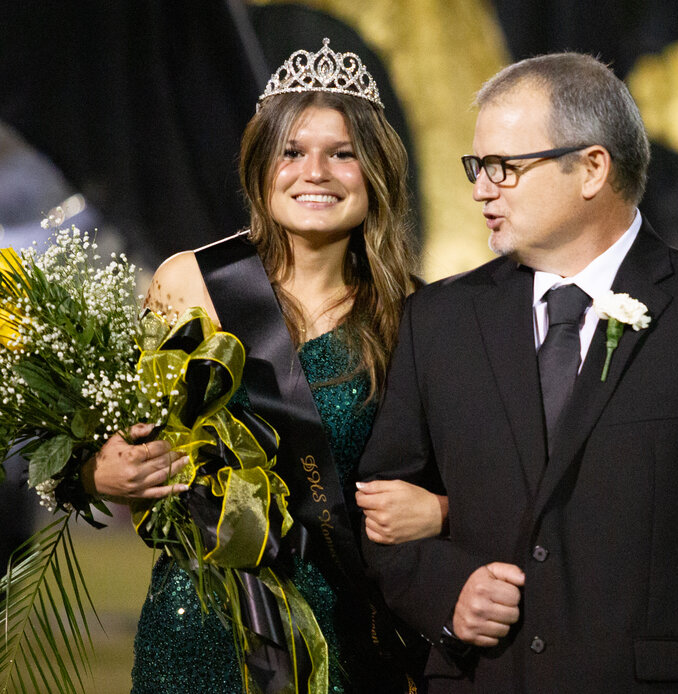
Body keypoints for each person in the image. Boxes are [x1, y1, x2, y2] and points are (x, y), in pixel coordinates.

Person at [358, 51, 678, 693]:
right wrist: (448, 592)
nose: (480, 189)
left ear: (591, 168)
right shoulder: (437, 321)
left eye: (503, 167)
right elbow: (380, 519)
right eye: (476, 167)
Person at [82, 39, 446, 694]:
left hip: (350, 629)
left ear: (378, 172)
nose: (316, 172)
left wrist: (438, 511)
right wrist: (99, 470)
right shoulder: (189, 281)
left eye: (343, 153)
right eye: (292, 152)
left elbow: (468, 477)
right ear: (259, 167)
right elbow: (115, 440)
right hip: (198, 627)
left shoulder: (414, 314)